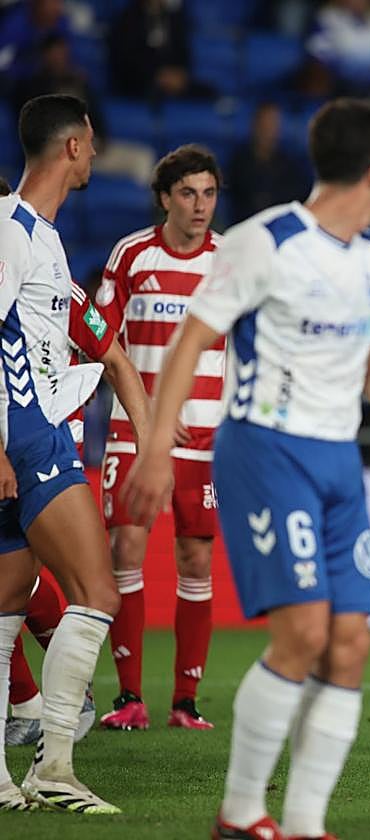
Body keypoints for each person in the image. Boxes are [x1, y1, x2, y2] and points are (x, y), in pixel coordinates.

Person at [120, 98, 370, 839]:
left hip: (338, 459)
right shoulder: (264, 241)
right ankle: (241, 814)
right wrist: (154, 449)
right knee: (303, 634)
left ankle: (305, 823)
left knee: (351, 643)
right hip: (267, 450)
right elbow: (191, 341)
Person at [0, 93, 121, 813]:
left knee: (10, 600)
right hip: (28, 433)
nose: (97, 155)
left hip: (31, 427)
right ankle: (55, 768)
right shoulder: (12, 231)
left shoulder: (41, 236)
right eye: (92, 142)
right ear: (72, 146)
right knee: (97, 593)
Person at [94, 145, 225, 733]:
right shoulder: (132, 255)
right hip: (135, 432)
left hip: (205, 437)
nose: (201, 206)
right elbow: (100, 342)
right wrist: (148, 410)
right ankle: (128, 697)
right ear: (165, 198)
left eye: (209, 193)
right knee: (126, 547)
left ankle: (186, 701)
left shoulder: (229, 263)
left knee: (196, 558)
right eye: (189, 193)